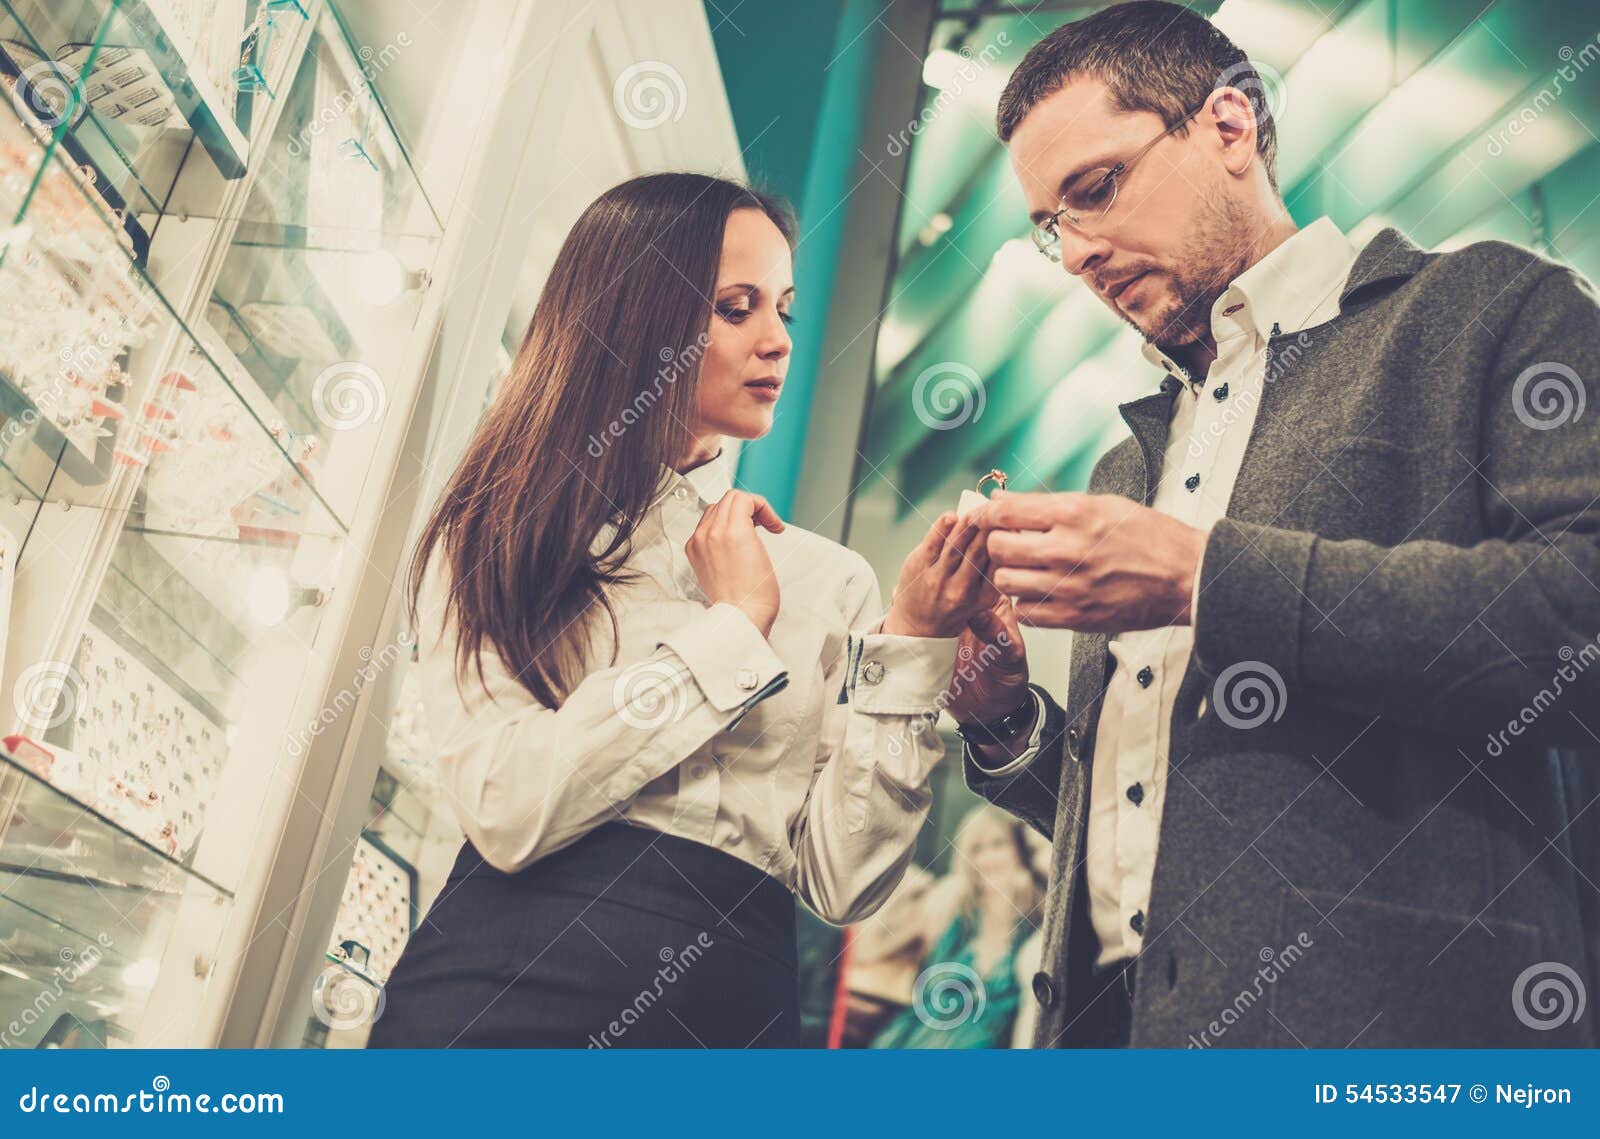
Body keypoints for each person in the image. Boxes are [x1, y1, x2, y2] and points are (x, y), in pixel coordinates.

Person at [948, 1, 1600, 1048]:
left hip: (1394, 1032)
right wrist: (1000, 719)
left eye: (1096, 190)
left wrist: (1206, 580)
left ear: (1228, 127)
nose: (1073, 254)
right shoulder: (1128, 465)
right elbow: (1162, 820)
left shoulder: (1483, 313)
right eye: (1050, 225)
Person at [368, 173, 993, 1048]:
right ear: (637, 317)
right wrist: (731, 628)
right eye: (737, 308)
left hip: (732, 1017)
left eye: (784, 309)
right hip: (495, 998)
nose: (778, 341)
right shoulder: (500, 525)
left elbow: (842, 880)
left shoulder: (829, 580)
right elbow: (506, 806)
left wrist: (918, 644)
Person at [870, 805, 1045, 1049]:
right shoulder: (954, 907)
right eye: (977, 849)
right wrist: (912, 887)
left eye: (998, 844)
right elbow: (874, 943)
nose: (988, 858)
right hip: (916, 1042)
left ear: (1019, 850)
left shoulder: (1040, 913)